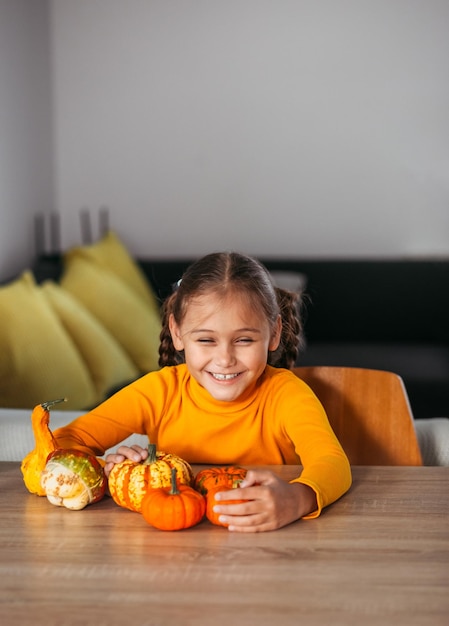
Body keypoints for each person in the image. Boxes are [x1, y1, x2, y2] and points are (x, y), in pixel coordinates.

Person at [53, 251, 352, 532]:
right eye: (206, 340)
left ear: (273, 334)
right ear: (178, 333)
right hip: (175, 550)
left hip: (262, 542)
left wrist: (297, 499)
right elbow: (64, 443)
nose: (225, 359)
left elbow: (332, 462)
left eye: (244, 340)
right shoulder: (158, 392)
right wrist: (106, 470)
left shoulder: (287, 394)